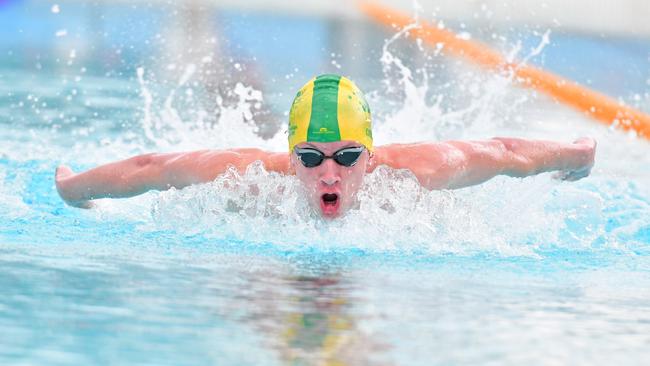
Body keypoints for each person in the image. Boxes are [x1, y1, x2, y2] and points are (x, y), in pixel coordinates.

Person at [55, 74, 596, 218]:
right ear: (290, 156)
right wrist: (73, 188)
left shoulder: (413, 172)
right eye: (311, 156)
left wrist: (576, 156)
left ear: (371, 154)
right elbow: (153, 168)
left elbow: (503, 153)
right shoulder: (252, 176)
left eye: (347, 155)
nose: (329, 173)